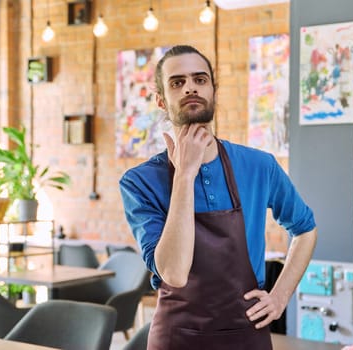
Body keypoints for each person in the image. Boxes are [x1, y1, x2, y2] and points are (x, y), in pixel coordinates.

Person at [119, 45, 317, 350]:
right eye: (177, 82)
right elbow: (173, 272)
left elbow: (305, 229)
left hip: (247, 334)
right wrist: (184, 174)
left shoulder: (258, 165)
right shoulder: (140, 182)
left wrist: (280, 297)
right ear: (161, 99)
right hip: (176, 338)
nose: (190, 88)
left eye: (200, 79)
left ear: (213, 90)